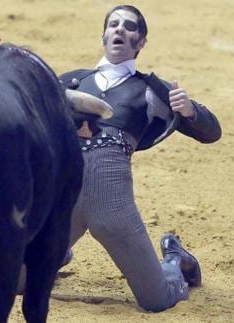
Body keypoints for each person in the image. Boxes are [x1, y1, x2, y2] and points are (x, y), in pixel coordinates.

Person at [58, 5, 221, 312]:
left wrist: (188, 109)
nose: (120, 29)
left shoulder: (149, 91)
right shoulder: (68, 82)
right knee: (16, 282)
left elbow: (211, 132)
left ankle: (175, 260)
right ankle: (57, 254)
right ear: (104, 35)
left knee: (156, 300)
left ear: (141, 42)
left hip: (113, 206)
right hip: (64, 199)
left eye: (129, 26)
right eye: (114, 24)